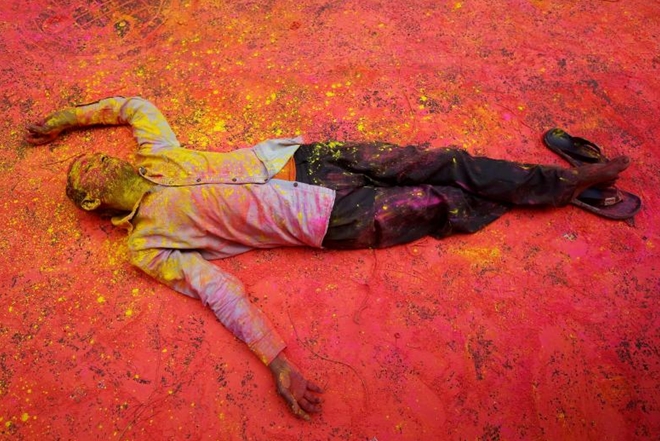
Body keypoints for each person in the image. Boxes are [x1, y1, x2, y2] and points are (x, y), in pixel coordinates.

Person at [25, 96, 630, 420]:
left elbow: (134, 107)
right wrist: (277, 362)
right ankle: (559, 192)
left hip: (310, 158)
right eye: (88, 172)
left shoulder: (156, 156)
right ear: (93, 202)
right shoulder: (147, 245)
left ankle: (559, 184)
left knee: (442, 159)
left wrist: (68, 121)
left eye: (95, 155)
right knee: (440, 204)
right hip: (325, 219)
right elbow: (217, 290)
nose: (100, 160)